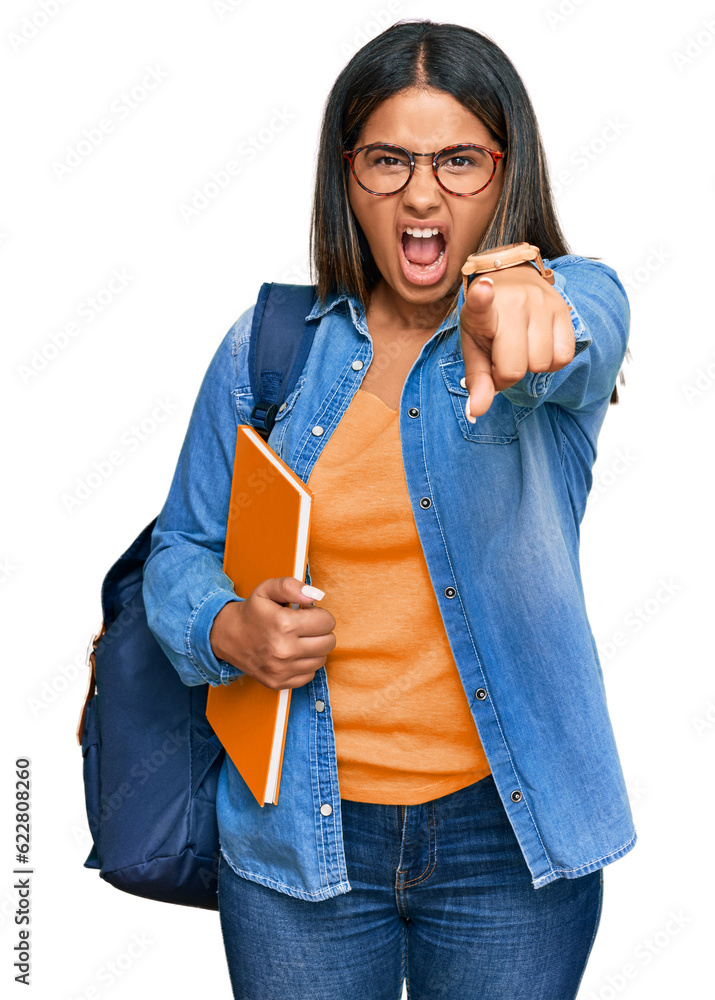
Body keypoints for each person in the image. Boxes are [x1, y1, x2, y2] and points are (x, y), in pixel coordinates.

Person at [142, 19, 636, 1000]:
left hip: (510, 839)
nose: (422, 192)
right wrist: (228, 626)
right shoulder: (269, 350)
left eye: (458, 159)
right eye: (389, 160)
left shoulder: (538, 333)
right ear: (347, 175)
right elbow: (179, 549)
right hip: (300, 839)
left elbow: (587, 319)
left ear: (505, 172)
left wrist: (534, 307)